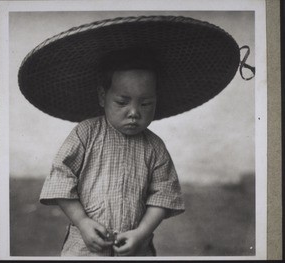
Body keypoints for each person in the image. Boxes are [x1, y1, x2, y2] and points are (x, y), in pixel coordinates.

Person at [18, 16, 250, 257]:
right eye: (122, 101)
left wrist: (142, 233)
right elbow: (61, 180)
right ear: (102, 96)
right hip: (85, 243)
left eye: (146, 103)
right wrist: (83, 223)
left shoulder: (155, 147)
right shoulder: (85, 134)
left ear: (156, 101)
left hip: (136, 245)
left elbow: (164, 195)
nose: (134, 113)